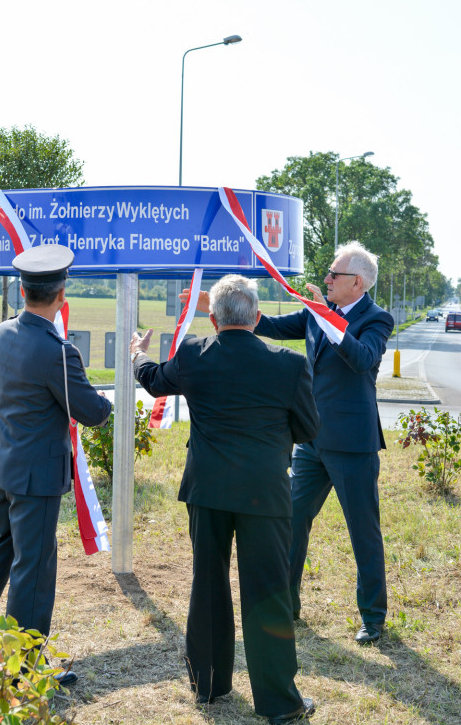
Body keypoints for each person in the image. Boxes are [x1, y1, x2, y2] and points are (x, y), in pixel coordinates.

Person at [131, 274, 321, 724]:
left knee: (208, 585)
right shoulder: (289, 363)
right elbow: (309, 428)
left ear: (213, 319)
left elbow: (154, 381)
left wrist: (137, 353)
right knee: (268, 592)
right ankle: (279, 703)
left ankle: (209, 684)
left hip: (208, 489)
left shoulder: (193, 353)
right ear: (257, 317)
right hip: (265, 491)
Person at [185, 241, 393, 645]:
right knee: (291, 521)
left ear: (357, 282)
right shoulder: (318, 312)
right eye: (329, 272)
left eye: (334, 274)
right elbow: (272, 326)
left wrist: (327, 318)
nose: (326, 279)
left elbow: (363, 359)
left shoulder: (376, 319)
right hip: (311, 441)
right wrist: (224, 309)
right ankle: (287, 604)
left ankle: (373, 616)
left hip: (353, 444)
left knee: (363, 531)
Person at [0, 244, 111, 683]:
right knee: (33, 570)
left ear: (22, 291)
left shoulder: (2, 333)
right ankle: (23, 673)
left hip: (4, 465)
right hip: (37, 477)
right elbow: (91, 412)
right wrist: (105, 401)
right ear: (62, 294)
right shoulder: (58, 351)